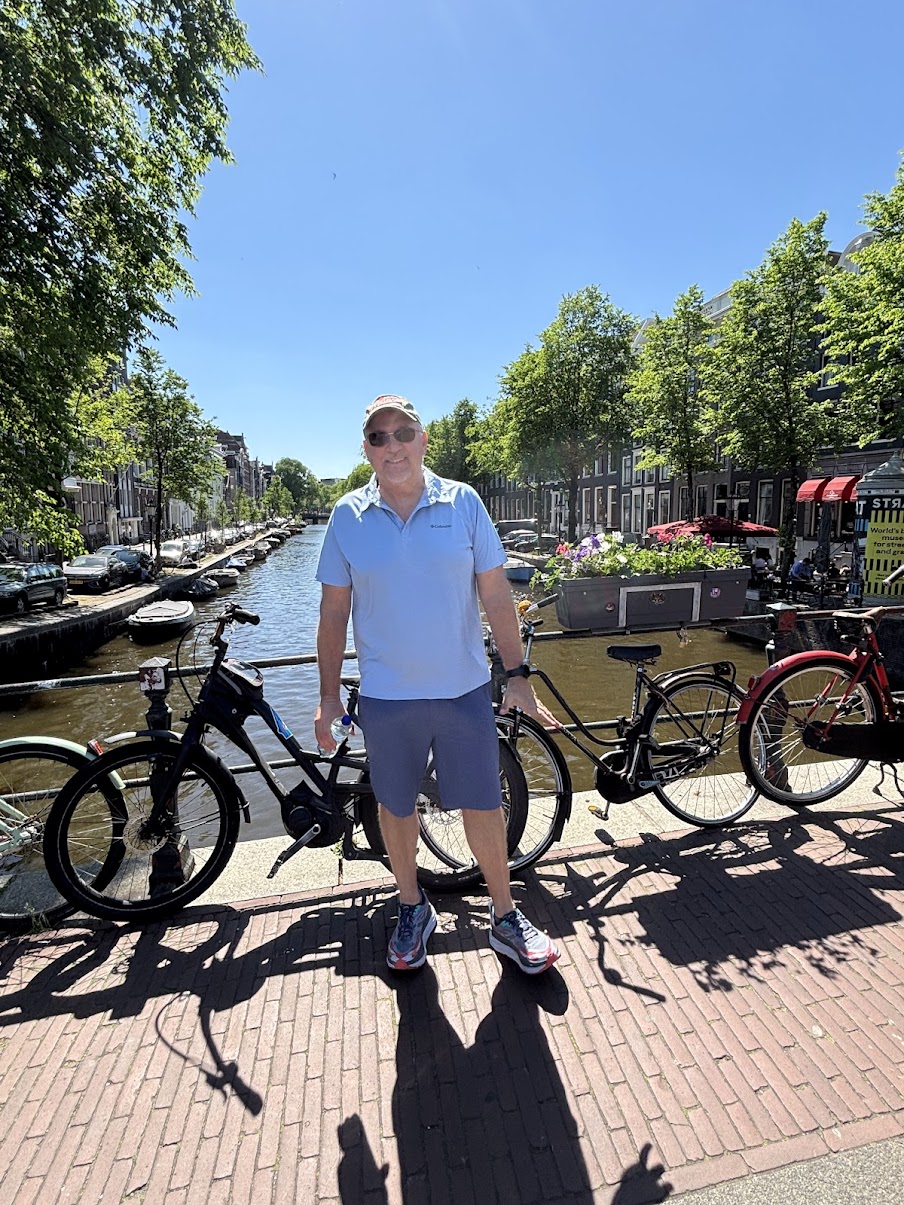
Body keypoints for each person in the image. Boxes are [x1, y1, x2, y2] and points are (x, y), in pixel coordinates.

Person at [315, 394, 561, 975]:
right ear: (367, 451)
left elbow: (496, 595)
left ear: (424, 441)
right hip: (387, 698)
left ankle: (505, 915)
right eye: (379, 437)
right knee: (395, 808)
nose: (392, 445)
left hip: (462, 691)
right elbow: (331, 614)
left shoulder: (464, 502)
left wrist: (517, 674)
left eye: (403, 433)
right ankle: (411, 905)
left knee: (483, 803)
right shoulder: (347, 517)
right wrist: (327, 698)